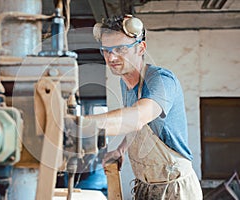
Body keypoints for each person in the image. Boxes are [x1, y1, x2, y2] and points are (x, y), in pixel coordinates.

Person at [85, 14, 203, 199]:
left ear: (141, 48)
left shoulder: (161, 81)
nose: (111, 57)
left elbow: (138, 117)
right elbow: (140, 128)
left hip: (175, 189)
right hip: (146, 186)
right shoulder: (126, 82)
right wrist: (121, 150)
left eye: (121, 49)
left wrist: (79, 125)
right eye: (106, 50)